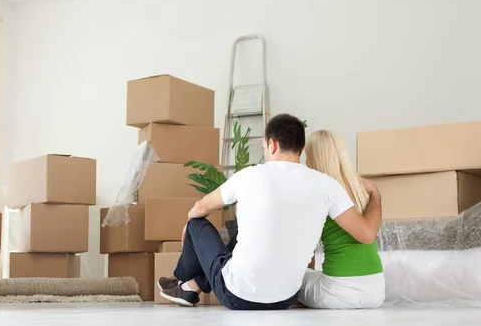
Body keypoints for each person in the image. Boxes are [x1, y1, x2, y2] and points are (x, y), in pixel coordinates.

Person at [157, 114, 382, 310]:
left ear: (272, 145)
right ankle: (188, 286)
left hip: (238, 296)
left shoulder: (250, 175)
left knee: (197, 222)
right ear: (300, 150)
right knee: (244, 238)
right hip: (287, 298)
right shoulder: (328, 186)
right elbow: (362, 234)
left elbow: (201, 207)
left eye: (264, 147)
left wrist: (189, 223)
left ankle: (183, 281)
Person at [299, 130, 385, 309]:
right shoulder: (361, 189)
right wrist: (376, 194)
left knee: (292, 277)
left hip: (339, 294)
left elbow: (307, 249)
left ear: (313, 160)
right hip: (376, 291)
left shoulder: (318, 193)